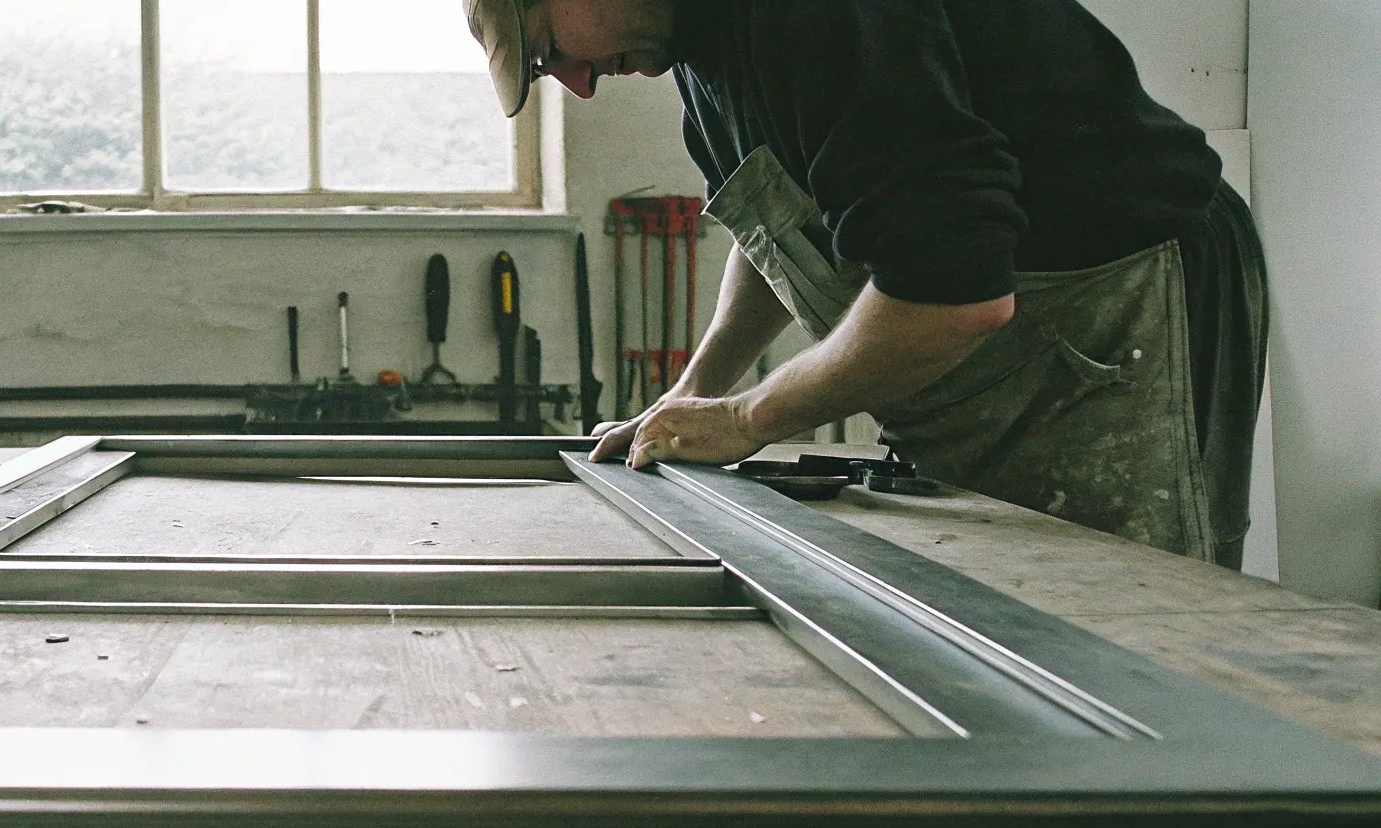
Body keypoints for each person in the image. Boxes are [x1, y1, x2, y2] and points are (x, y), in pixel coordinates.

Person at [463, 0, 1268, 568]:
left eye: (548, 49)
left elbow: (953, 295)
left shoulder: (814, 13)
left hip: (1121, 289)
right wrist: (692, 396)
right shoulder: (703, 51)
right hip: (1003, 316)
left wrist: (752, 416)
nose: (578, 84)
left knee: (1129, 618)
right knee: (1011, 601)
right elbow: (778, 225)